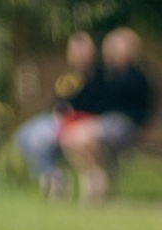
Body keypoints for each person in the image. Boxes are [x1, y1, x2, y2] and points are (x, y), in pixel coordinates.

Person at [58, 26, 154, 202]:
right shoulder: (108, 76)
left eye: (115, 48)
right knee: (71, 139)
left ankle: (96, 179)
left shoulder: (135, 76)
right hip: (107, 124)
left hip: (125, 125)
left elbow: (121, 105)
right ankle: (95, 177)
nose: (109, 52)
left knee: (78, 136)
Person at [15, 34, 99, 194]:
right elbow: (57, 102)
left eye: (82, 50)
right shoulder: (67, 77)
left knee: (40, 139)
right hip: (57, 118)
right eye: (75, 50)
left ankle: (54, 180)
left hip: (77, 121)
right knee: (23, 136)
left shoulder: (98, 77)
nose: (78, 54)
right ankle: (50, 174)